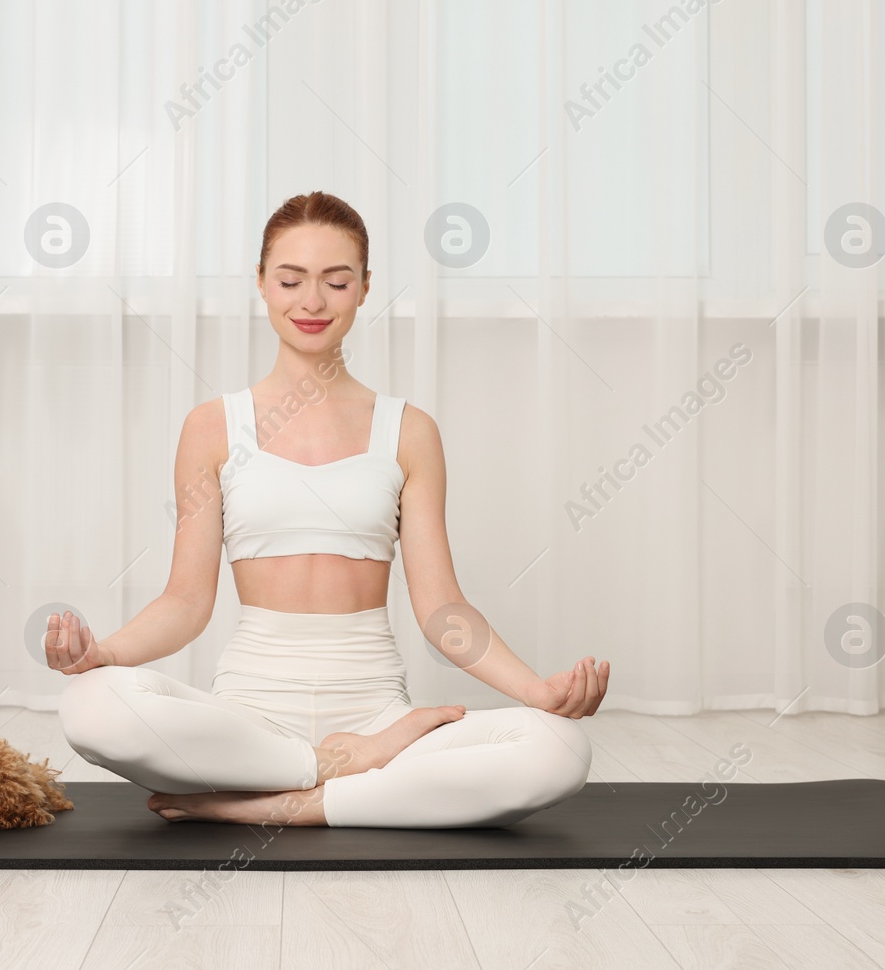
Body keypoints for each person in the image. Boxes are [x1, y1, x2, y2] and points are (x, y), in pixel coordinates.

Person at [52, 191, 610, 828]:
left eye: (336, 282)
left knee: (560, 748)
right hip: (248, 718)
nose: (311, 302)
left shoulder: (409, 430)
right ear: (261, 283)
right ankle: (333, 769)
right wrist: (106, 656)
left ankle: (287, 805)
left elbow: (442, 609)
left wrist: (538, 692)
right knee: (89, 705)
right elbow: (185, 603)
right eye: (290, 280)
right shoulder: (211, 427)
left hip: (376, 712)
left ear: (365, 288)